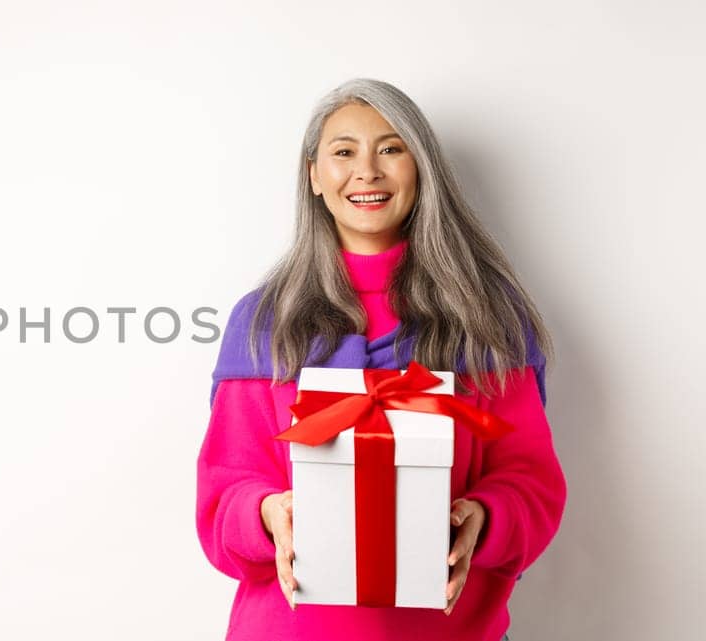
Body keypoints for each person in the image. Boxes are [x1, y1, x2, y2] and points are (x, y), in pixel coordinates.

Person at [195, 78, 566, 641]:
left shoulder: (486, 317)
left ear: (422, 169)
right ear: (314, 175)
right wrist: (267, 515)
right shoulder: (264, 322)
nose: (366, 171)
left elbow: (530, 479)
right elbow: (225, 491)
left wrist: (485, 518)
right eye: (343, 152)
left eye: (391, 149)